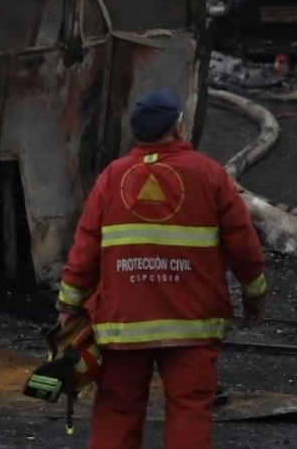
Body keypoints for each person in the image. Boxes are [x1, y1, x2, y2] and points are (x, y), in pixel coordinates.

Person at [57, 89, 269, 449]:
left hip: (124, 325)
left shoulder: (113, 177)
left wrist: (68, 307)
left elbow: (85, 249)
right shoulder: (209, 175)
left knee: (118, 410)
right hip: (191, 324)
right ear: (178, 128)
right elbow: (243, 247)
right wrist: (255, 296)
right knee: (189, 410)